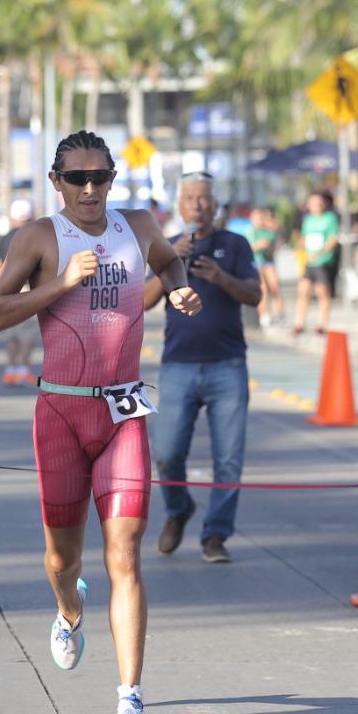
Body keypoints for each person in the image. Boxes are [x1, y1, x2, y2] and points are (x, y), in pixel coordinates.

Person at [0, 131, 199, 714]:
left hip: (125, 412)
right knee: (62, 559)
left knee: (124, 554)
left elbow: (168, 261)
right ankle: (68, 608)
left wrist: (177, 285)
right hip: (61, 411)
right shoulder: (40, 239)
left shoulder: (140, 225)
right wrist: (59, 285)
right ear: (56, 183)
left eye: (99, 177)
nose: (88, 189)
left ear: (112, 179)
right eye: (76, 178)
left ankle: (131, 697)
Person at [143, 172, 260, 564]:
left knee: (228, 458)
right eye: (190, 198)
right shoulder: (164, 246)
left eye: (205, 198)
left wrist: (221, 277)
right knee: (166, 452)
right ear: (179, 205)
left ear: (216, 204)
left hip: (227, 366)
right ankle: (178, 509)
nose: (198, 205)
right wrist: (170, 262)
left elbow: (255, 295)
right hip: (178, 365)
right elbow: (141, 301)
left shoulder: (235, 244)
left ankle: (216, 535)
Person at [0, 199, 41, 386]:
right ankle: (24, 370)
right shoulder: (36, 237)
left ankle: (10, 370)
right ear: (32, 216)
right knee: (29, 334)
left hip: (8, 292)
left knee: (11, 334)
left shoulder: (5, 237)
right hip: (30, 292)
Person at [293, 192, 338, 337]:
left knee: (322, 292)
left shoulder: (330, 218)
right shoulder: (308, 219)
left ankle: (322, 324)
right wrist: (298, 248)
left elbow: (332, 239)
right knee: (303, 291)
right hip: (309, 260)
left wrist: (320, 253)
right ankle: (299, 323)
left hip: (323, 261)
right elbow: (304, 238)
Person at [248, 206, 283, 325]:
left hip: (268, 261)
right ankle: (264, 315)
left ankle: (280, 314)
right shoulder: (249, 232)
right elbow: (248, 249)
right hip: (256, 263)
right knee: (263, 289)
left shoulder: (268, 232)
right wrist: (259, 245)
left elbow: (272, 248)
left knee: (275, 286)